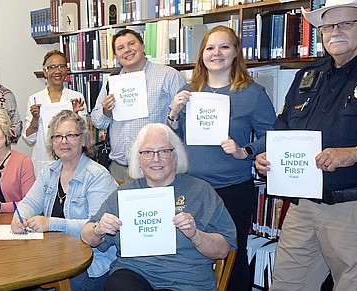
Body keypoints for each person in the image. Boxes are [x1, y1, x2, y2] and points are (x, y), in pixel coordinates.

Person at [254, 0, 357, 289]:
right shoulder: (308, 75)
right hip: (303, 208)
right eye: (328, 25)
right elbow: (283, 129)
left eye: (346, 23)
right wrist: (268, 156)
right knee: (286, 285)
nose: (335, 31)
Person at [166, 25, 276, 291]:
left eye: (224, 47)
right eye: (210, 47)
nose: (217, 53)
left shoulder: (253, 93)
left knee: (230, 255)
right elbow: (173, 137)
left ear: (236, 52)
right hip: (189, 187)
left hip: (232, 188)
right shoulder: (189, 90)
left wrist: (244, 151)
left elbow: (272, 135)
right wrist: (173, 113)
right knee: (188, 250)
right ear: (202, 53)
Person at [81, 123, 236, 290]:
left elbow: (223, 249)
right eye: (147, 152)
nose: (156, 159)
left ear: (175, 156)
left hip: (186, 280)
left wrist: (196, 235)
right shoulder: (126, 193)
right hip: (135, 273)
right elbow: (87, 236)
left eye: (164, 151)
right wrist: (98, 229)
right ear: (138, 159)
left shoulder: (201, 191)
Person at [12, 110, 117, 291]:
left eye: (71, 135)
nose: (64, 141)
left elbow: (96, 227)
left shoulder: (98, 176)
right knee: (17, 279)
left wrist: (51, 223)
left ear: (84, 140)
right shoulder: (49, 171)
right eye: (58, 136)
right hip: (54, 256)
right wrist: (18, 217)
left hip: (91, 262)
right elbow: (29, 203)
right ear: (52, 142)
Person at [90, 29, 185, 184]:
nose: (127, 50)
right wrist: (106, 111)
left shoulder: (167, 75)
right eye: (120, 48)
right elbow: (97, 121)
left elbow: (183, 118)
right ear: (116, 56)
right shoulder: (112, 81)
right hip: (119, 167)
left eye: (131, 44)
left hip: (155, 167)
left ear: (142, 45)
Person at [23, 50, 86, 174]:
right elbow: (29, 138)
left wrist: (76, 115)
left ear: (66, 70)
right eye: (52, 67)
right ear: (45, 71)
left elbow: (84, 135)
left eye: (61, 66)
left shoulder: (76, 97)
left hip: (71, 158)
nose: (57, 71)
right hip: (43, 160)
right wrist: (35, 118)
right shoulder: (35, 99)